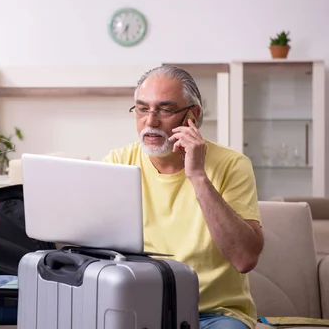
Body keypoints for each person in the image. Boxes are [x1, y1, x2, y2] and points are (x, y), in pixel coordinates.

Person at [103, 65, 264, 329]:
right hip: (136, 309)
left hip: (214, 314)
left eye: (165, 110)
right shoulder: (117, 162)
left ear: (194, 115)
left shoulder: (233, 165)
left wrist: (198, 175)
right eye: (142, 109)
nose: (150, 121)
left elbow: (245, 259)